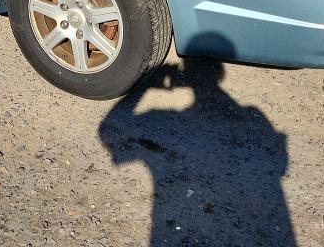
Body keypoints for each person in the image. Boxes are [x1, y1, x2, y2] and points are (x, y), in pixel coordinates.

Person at [99, 35, 295, 246]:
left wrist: (149, 84)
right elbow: (279, 164)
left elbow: (108, 130)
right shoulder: (252, 116)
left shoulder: (168, 118)